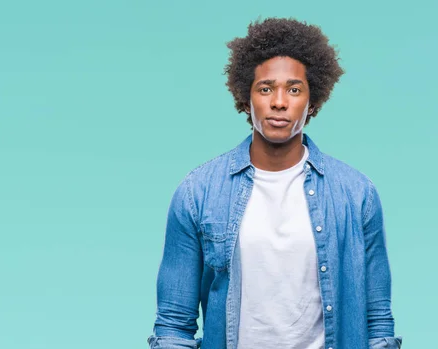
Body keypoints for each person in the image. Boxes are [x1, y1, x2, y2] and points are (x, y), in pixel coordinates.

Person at [147, 17, 402, 349]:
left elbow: (378, 321)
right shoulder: (198, 193)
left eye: (294, 89)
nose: (279, 101)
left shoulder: (356, 195)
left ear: (313, 101)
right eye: (265, 88)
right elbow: (173, 325)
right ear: (246, 97)